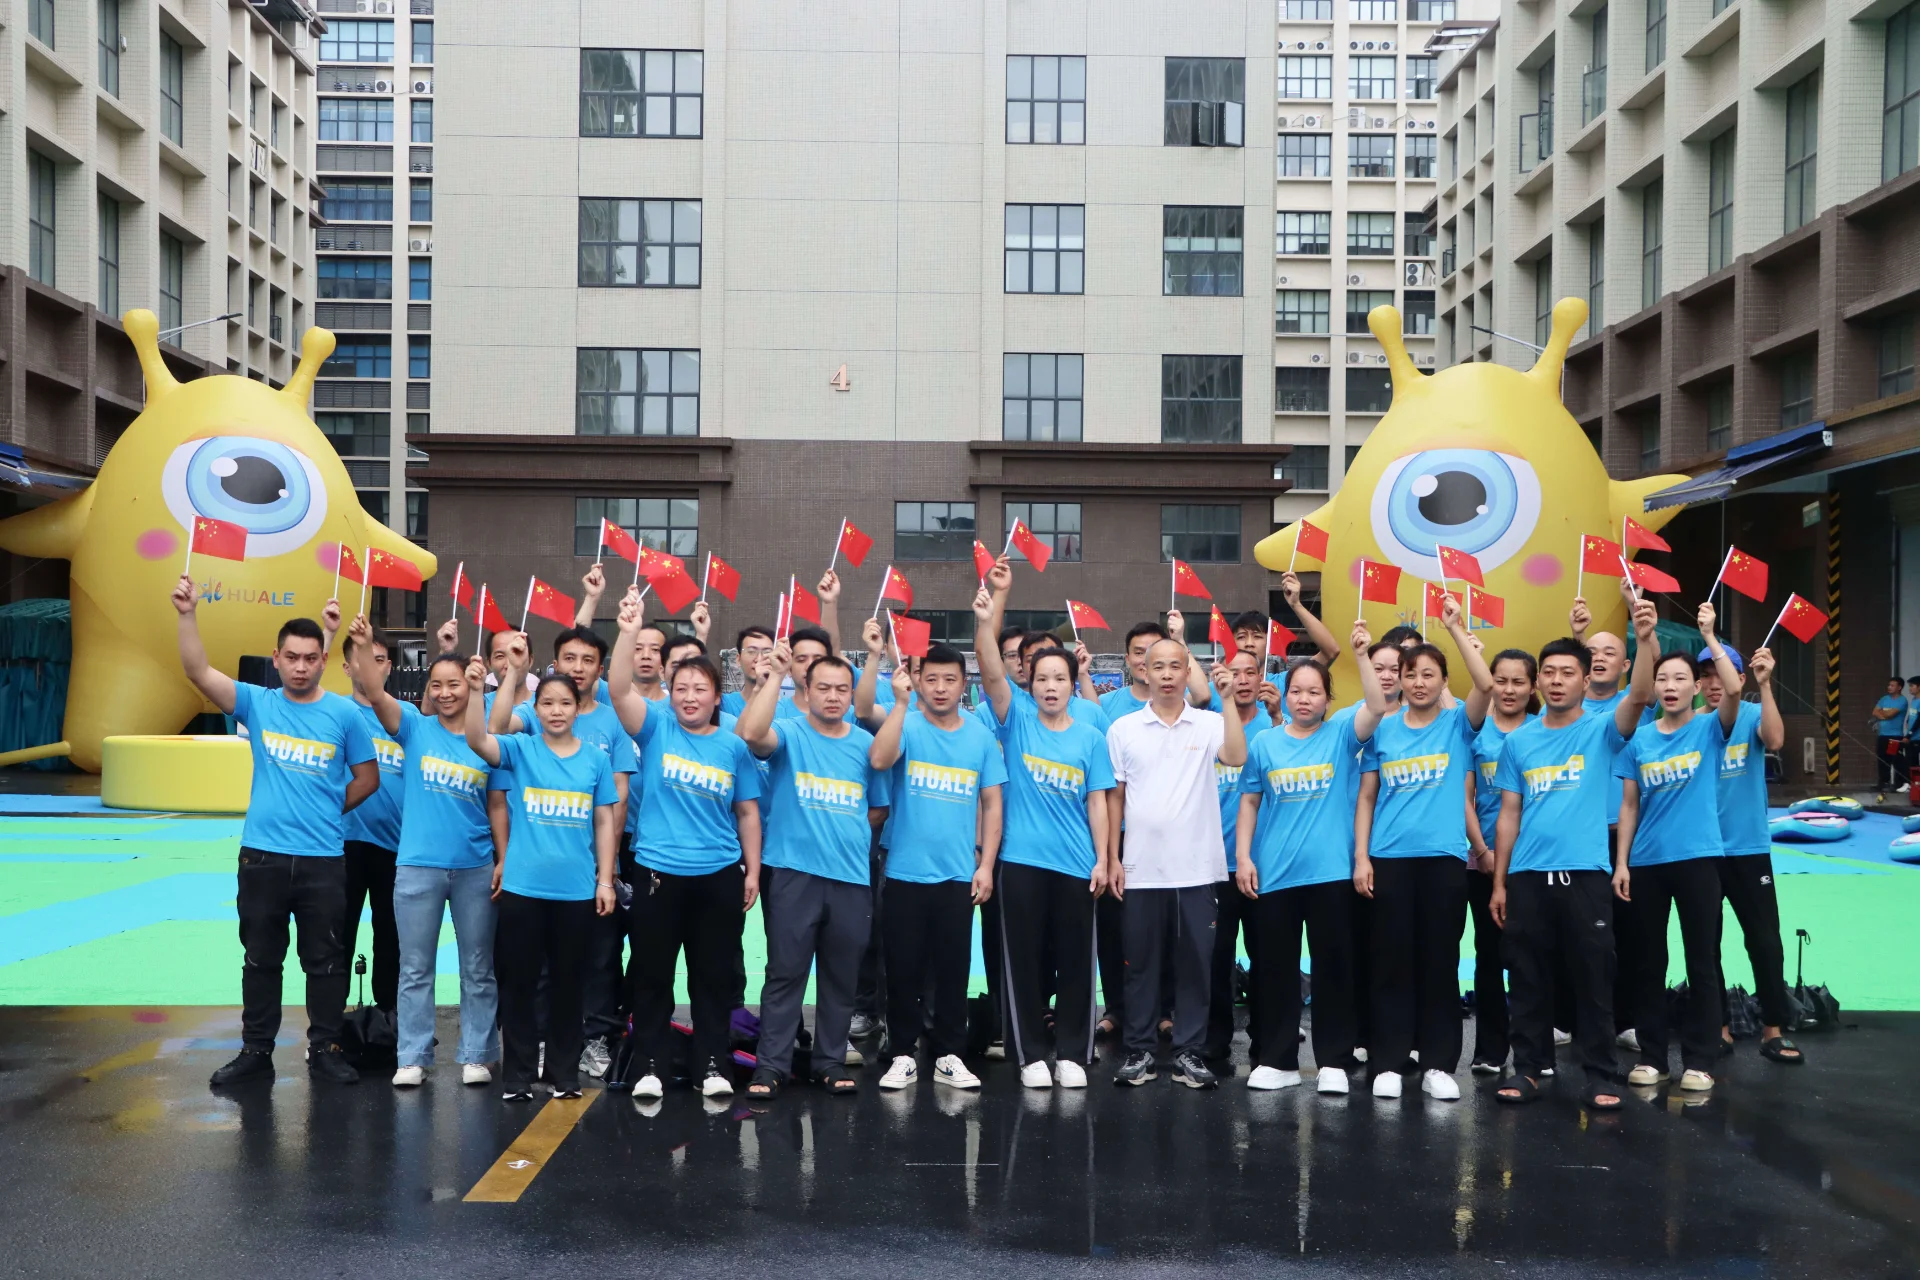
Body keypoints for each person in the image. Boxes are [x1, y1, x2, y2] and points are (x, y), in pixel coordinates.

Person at [172, 577, 379, 1087]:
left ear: (322, 660)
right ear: (277, 659)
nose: (301, 666)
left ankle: (325, 1049)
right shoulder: (257, 703)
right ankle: (256, 1051)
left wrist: (328, 809)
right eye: (292, 658)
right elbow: (197, 670)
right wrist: (187, 614)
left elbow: (367, 778)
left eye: (310, 658)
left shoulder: (344, 714)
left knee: (325, 961)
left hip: (323, 859)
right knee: (260, 959)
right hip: (262, 857)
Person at [1489, 595, 1658, 1111]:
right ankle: (1528, 1069)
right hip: (1527, 877)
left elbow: (1641, 694)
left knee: (1594, 978)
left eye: (1568, 673)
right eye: (1549, 673)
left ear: (1586, 680)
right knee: (1528, 978)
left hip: (1585, 876)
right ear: (1538, 682)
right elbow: (1509, 815)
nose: (1557, 681)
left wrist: (1642, 638)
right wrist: (1499, 882)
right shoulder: (1519, 742)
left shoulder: (1602, 730)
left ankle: (1601, 1075)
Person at [606, 591, 763, 1101]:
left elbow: (747, 812)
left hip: (718, 874)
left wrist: (753, 871)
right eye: (681, 688)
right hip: (658, 871)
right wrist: (628, 631)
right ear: (669, 693)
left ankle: (712, 1066)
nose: (690, 697)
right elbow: (618, 688)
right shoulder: (656, 728)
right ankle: (649, 1065)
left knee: (712, 977)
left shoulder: (734, 745)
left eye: (700, 689)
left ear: (718, 697)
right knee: (652, 975)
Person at [1234, 624, 1391, 1094]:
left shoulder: (1341, 734)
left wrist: (1361, 654)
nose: (1304, 700)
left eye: (1314, 692)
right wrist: (1243, 857)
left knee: (1333, 969)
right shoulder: (1264, 744)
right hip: (1276, 875)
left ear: (1327, 698)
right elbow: (1249, 801)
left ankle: (1334, 1062)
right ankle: (1278, 1060)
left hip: (1331, 875)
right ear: (1285, 695)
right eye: (1296, 691)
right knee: (1275, 971)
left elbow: (1376, 706)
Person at [976, 560, 1115, 1088]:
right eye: (1042, 678)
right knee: (1024, 963)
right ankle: (1031, 1054)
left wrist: (1103, 859)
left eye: (1060, 678)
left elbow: (1098, 804)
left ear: (1073, 683)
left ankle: (1073, 1055)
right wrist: (991, 609)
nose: (1051, 686)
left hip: (1077, 866)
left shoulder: (1090, 738)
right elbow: (991, 669)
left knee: (1078, 963)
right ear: (1029, 684)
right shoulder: (1015, 721)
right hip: (1021, 863)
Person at [343, 623, 499, 1088]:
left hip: (475, 867)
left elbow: (497, 805)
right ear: (427, 689)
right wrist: (361, 645)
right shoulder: (413, 727)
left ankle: (477, 1054)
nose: (446, 693)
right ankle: (411, 1055)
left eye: (455, 685)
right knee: (414, 967)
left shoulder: (486, 740)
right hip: (417, 867)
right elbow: (374, 691)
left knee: (478, 967)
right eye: (437, 685)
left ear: (471, 687)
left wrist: (503, 858)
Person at [1352, 597, 1495, 1101]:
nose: (1417, 682)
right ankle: (1389, 1061)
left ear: (1442, 681)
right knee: (1390, 963)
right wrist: (1362, 857)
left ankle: (1437, 1063)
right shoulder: (1382, 729)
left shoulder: (1457, 725)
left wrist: (1455, 628)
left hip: (1443, 862)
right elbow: (1367, 797)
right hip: (1389, 860)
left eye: (1428, 674)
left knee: (1439, 962)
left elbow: (1486, 686)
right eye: (1409, 673)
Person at [464, 657, 620, 1101]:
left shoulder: (595, 760)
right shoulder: (522, 749)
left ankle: (563, 1074)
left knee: (569, 985)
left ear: (577, 708)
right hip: (523, 889)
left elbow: (604, 822)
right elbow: (478, 739)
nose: (556, 711)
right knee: (520, 984)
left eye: (565, 703)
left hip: (575, 892)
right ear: (535, 709)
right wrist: (475, 691)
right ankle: (517, 1076)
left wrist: (605, 880)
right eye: (547, 703)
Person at [736, 640, 883, 1098]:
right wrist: (774, 677)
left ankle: (829, 1063)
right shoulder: (789, 732)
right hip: (793, 874)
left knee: (841, 976)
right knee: (785, 972)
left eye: (842, 689)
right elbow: (750, 734)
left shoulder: (866, 745)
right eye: (824, 688)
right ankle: (771, 1066)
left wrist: (841, 834)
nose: (833, 696)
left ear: (851, 693)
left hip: (850, 879)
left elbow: (877, 809)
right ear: (807, 688)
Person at [491, 626, 638, 1081]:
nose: (578, 667)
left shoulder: (611, 723)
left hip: (588, 869)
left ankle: (589, 1044)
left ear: (600, 668)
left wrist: (604, 871)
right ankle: (534, 1050)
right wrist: (514, 672)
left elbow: (614, 803)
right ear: (553, 666)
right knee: (532, 971)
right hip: (534, 870)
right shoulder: (531, 720)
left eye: (588, 660)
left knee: (593, 964)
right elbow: (495, 729)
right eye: (569, 658)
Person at [1614, 604, 1744, 1092]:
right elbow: (1629, 806)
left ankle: (1700, 1061)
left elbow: (1734, 690)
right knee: (1649, 963)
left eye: (1680, 679)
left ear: (1696, 688)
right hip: (1647, 863)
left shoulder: (1710, 728)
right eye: (1663, 679)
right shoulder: (1639, 741)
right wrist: (1622, 862)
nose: (1670, 686)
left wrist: (1709, 636)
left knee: (1701, 962)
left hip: (1698, 860)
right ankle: (1653, 1058)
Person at [1107, 640, 1246, 1088]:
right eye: (1158, 666)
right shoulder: (1124, 729)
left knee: (1195, 965)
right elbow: (1115, 799)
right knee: (1140, 964)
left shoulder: (1208, 723)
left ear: (1188, 672)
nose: (1167, 674)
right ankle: (1140, 1050)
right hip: (1140, 870)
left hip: (1198, 869)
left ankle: (1189, 1051)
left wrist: (1228, 699)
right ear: (1143, 672)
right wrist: (1112, 857)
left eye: (1175, 666)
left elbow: (1237, 756)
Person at [868, 643, 1006, 1091]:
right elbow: (879, 759)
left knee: (953, 969)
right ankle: (901, 1054)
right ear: (918, 681)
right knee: (902, 968)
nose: (941, 688)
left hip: (958, 874)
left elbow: (992, 803)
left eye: (950, 679)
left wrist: (985, 864)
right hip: (904, 871)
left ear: (963, 684)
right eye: (931, 679)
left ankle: (950, 1055)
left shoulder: (980, 737)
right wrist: (900, 703)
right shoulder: (905, 725)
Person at [1699, 643, 1802, 1065]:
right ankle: (1719, 1028)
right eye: (1705, 676)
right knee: (1706, 945)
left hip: (1748, 848)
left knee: (1765, 941)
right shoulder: (1690, 724)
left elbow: (1775, 740)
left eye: (1720, 674)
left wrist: (1767, 685)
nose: (1713, 683)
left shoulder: (1753, 714)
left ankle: (1773, 1029)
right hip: (1701, 851)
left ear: (1739, 679)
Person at [1202, 648, 1282, 1063]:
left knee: (1266, 955)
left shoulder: (1274, 727)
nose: (1244, 680)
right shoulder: (1208, 726)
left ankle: (1265, 1038)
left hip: (1262, 864)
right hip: (1214, 864)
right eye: (1235, 672)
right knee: (1216, 957)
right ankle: (1214, 1039)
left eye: (1252, 672)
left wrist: (1279, 717)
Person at [1464, 646, 1539, 1075]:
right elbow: (1466, 799)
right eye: (1501, 681)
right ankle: (1490, 1050)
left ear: (1533, 687)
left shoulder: (1545, 731)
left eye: (1518, 682)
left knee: (1533, 958)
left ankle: (1536, 1051)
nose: (1509, 690)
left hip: (1532, 863)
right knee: (1488, 957)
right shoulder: (1476, 734)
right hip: (1485, 862)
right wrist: (1483, 851)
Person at [333, 616, 404, 1017]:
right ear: (347, 667)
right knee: (337, 934)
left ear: (389, 666)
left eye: (378, 659)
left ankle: (389, 1019)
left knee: (391, 937)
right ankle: (329, 1025)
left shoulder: (403, 718)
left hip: (394, 846)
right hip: (341, 843)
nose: (371, 668)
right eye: (362, 659)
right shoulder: (334, 713)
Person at [720, 625, 777, 717]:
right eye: (751, 652)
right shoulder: (724, 703)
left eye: (767, 652)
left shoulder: (785, 708)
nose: (759, 659)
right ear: (738, 659)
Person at [1873, 676, 1910, 799]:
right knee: (1882, 759)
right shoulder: (1884, 699)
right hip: (1882, 734)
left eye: (1892, 685)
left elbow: (1891, 714)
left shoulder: (1902, 700)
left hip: (1895, 735)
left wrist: (1882, 714)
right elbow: (1875, 712)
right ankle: (1883, 782)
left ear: (1899, 687)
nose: (1889, 687)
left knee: (1895, 759)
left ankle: (1899, 783)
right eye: (1889, 685)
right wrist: (1884, 714)